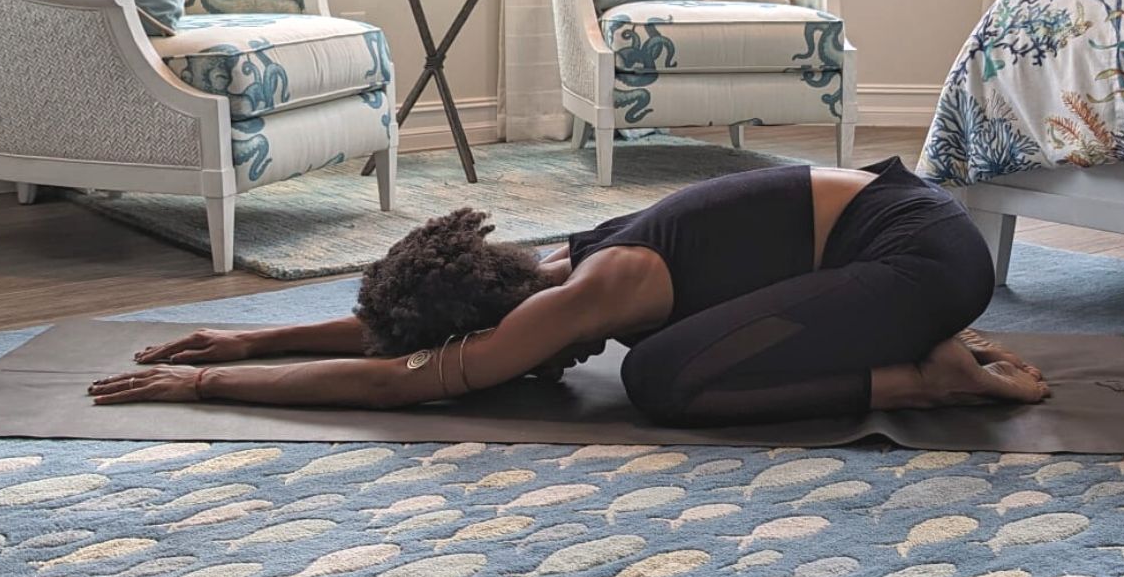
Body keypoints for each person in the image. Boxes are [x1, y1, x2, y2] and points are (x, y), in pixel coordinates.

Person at [88, 157, 1049, 424]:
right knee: (669, 359)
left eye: (496, 349)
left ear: (507, 317)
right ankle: (912, 358)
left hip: (921, 261)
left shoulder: (591, 286)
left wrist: (206, 387)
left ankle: (930, 379)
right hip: (888, 235)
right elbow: (399, 338)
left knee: (665, 381)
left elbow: (401, 378)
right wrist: (249, 342)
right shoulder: (555, 264)